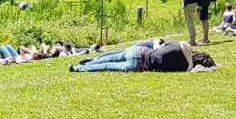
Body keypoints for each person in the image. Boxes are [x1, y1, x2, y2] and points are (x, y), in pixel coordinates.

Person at [70, 40, 214, 73]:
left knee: (113, 56)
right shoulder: (185, 68)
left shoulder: (182, 45)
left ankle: (93, 60)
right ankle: (77, 68)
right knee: (108, 66)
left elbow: (159, 45)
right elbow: (198, 70)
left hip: (140, 51)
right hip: (140, 65)